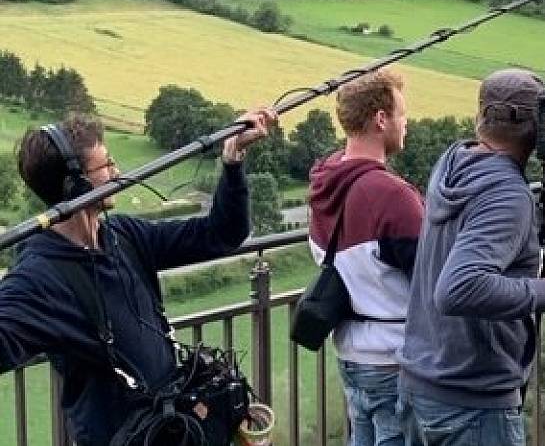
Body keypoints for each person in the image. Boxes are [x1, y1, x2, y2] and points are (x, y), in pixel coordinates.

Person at [0, 109, 275, 446]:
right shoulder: (38, 278)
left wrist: (233, 161)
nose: (118, 172)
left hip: (171, 428)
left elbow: (221, 233)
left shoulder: (123, 235)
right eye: (105, 165)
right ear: (74, 185)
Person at [399, 68, 545, 446]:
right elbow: (457, 288)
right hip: (470, 400)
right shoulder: (506, 194)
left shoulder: (454, 162)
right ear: (539, 128)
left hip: (424, 383)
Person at [308, 69, 424, 446]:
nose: (406, 123)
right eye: (402, 114)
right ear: (381, 119)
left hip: (351, 354)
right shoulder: (390, 195)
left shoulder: (325, 181)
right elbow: (436, 275)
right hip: (393, 357)